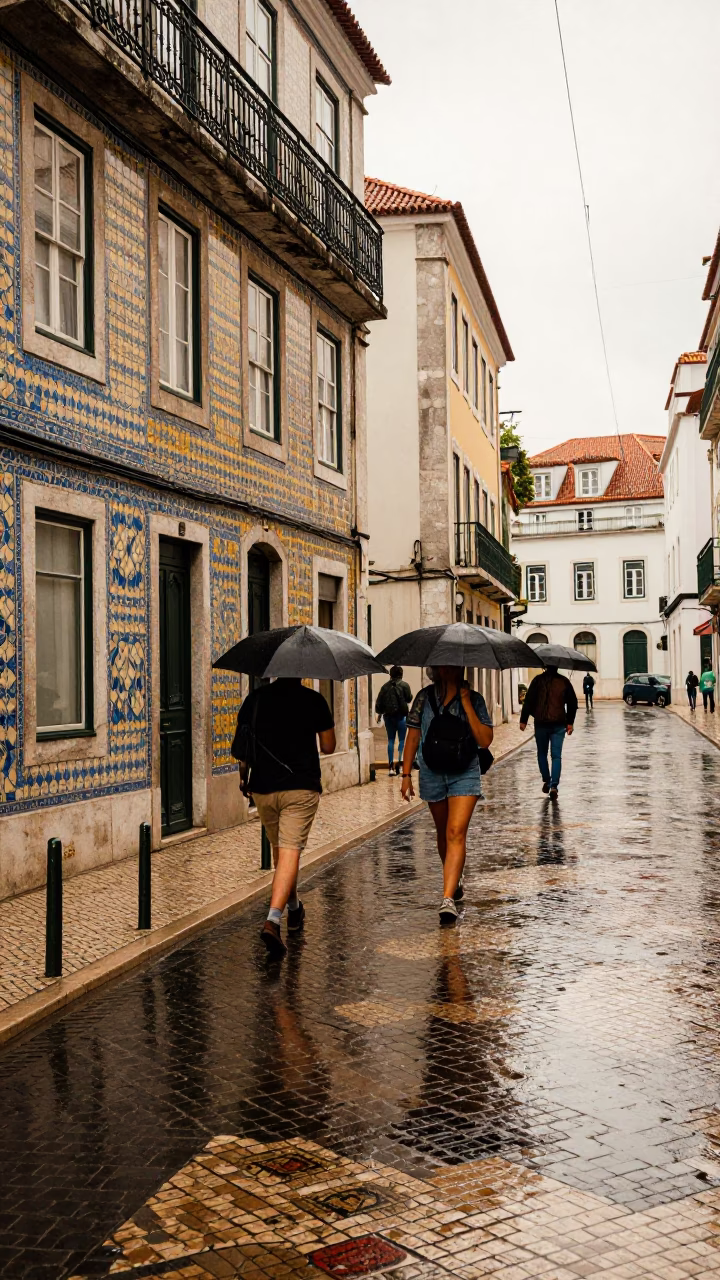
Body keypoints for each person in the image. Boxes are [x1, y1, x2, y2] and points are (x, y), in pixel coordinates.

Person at [231, 677, 336, 958]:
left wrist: (244, 780)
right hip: (300, 788)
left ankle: (294, 908)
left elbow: (242, 748)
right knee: (289, 854)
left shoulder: (255, 700)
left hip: (263, 789)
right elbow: (328, 746)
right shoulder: (314, 701)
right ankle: (273, 920)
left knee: (281, 855)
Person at [400, 667, 493, 925]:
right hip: (432, 772)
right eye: (444, 665)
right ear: (436, 670)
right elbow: (413, 736)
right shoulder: (423, 698)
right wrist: (406, 775)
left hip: (465, 772)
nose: (449, 669)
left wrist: (465, 702)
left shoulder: (474, 699)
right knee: (443, 832)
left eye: (454, 664)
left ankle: (447, 898)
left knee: (455, 832)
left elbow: (485, 740)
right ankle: (455, 878)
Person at [520, 664, 577, 799]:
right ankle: (554, 786)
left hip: (541, 723)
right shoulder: (564, 681)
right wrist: (570, 722)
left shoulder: (537, 680)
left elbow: (528, 701)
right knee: (556, 756)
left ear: (545, 667)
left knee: (542, 754)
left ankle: (547, 779)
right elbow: (572, 702)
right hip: (558, 723)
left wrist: (524, 719)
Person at [375, 665, 413, 775]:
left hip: (388, 718)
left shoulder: (384, 687)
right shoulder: (405, 685)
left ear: (390, 675)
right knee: (402, 740)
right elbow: (409, 698)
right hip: (401, 717)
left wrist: (380, 714)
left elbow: (379, 704)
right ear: (401, 674)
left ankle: (390, 767)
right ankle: (400, 765)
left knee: (390, 740)